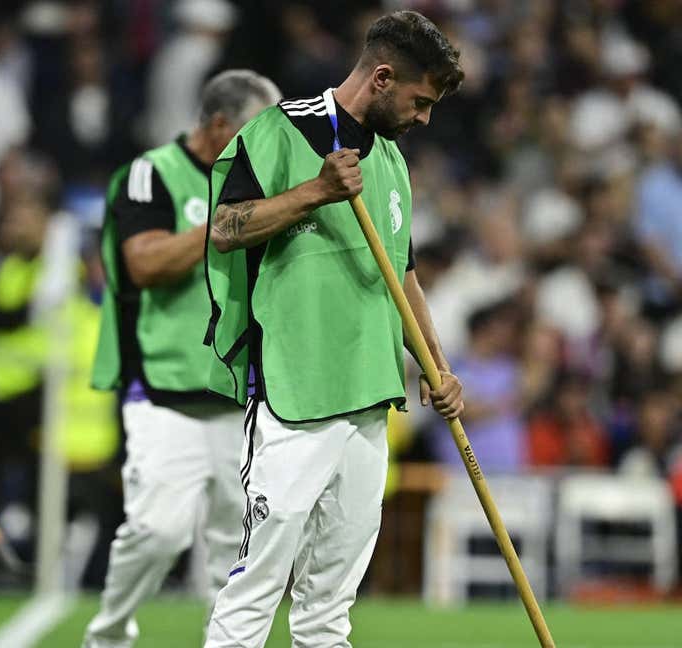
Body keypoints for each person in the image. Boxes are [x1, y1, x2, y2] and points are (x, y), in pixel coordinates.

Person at [202, 12, 465, 647]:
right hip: (296, 394)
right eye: (420, 101)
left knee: (329, 608)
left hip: (371, 398)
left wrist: (437, 365)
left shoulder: (395, 163)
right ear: (381, 77)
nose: (424, 118)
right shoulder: (280, 130)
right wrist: (312, 193)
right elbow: (224, 226)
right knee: (257, 588)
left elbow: (401, 272)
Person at [85, 69, 281, 648]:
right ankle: (110, 633)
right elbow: (143, 263)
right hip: (164, 390)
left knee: (234, 547)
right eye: (254, 130)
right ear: (219, 125)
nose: (264, 145)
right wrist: (226, 225)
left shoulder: (264, 184)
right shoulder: (152, 175)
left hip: (238, 393)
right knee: (157, 529)